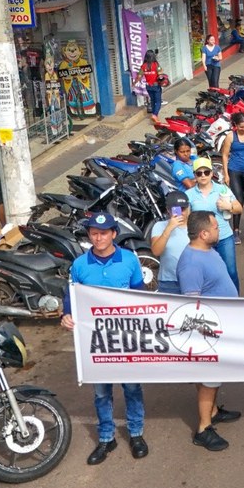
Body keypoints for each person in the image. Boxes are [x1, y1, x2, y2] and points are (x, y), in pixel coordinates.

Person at [60, 212, 148, 465]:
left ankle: (136, 433)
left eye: (104, 233)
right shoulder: (79, 265)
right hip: (95, 341)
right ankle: (106, 437)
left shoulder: (129, 260)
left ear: (114, 234)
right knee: (101, 392)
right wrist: (66, 314)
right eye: (94, 234)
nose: (98, 238)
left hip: (126, 338)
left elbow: (140, 295)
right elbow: (71, 296)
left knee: (132, 388)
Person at [175, 210, 241, 452]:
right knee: (208, 379)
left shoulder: (208, 250)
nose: (218, 229)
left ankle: (212, 411)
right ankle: (203, 429)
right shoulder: (191, 263)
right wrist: (206, 337)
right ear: (203, 234)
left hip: (223, 325)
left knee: (213, 377)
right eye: (215, 227)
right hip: (209, 332)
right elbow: (192, 305)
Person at [185, 160, 243, 291]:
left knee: (231, 272)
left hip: (224, 238)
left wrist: (229, 206)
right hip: (202, 241)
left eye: (206, 172)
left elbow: (239, 208)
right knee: (208, 274)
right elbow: (186, 219)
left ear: (212, 173)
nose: (203, 176)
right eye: (199, 173)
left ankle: (235, 299)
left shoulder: (222, 189)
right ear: (195, 175)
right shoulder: (189, 194)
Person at [220, 113, 244, 243]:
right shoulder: (230, 136)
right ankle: (235, 230)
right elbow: (225, 155)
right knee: (238, 200)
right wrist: (226, 174)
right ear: (235, 125)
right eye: (241, 126)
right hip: (234, 170)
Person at [148, 191, 192, 295]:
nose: (181, 213)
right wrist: (169, 228)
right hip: (169, 281)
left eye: (183, 209)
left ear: (189, 208)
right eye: (177, 210)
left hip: (193, 279)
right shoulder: (159, 226)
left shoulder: (196, 226)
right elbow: (156, 251)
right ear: (168, 210)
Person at [132, 50, 164, 121]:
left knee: (152, 100)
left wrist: (134, 83)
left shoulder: (143, 66)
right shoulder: (156, 65)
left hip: (148, 87)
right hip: (156, 86)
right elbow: (160, 75)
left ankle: (154, 115)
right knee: (158, 101)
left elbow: (139, 76)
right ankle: (155, 115)